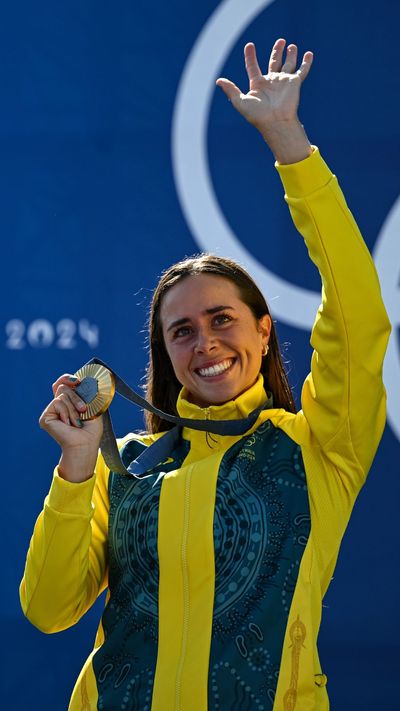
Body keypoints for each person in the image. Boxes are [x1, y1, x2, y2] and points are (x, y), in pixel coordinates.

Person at [20, 39, 391, 710]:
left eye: (223, 319)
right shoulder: (124, 463)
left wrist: (290, 146)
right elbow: (48, 609)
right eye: (182, 330)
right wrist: (77, 467)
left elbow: (361, 320)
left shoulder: (319, 448)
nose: (206, 343)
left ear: (264, 329)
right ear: (165, 352)